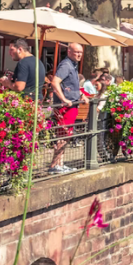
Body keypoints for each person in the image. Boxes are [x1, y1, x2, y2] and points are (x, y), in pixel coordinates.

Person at [48, 42, 84, 174]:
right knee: (63, 135)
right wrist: (63, 99)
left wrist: (81, 95)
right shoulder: (66, 65)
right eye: (76, 52)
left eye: (80, 52)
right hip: (66, 107)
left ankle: (60, 164)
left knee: (66, 135)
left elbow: (70, 85)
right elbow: (55, 82)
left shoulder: (73, 65)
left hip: (72, 104)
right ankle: (54, 165)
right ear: (69, 52)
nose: (79, 55)